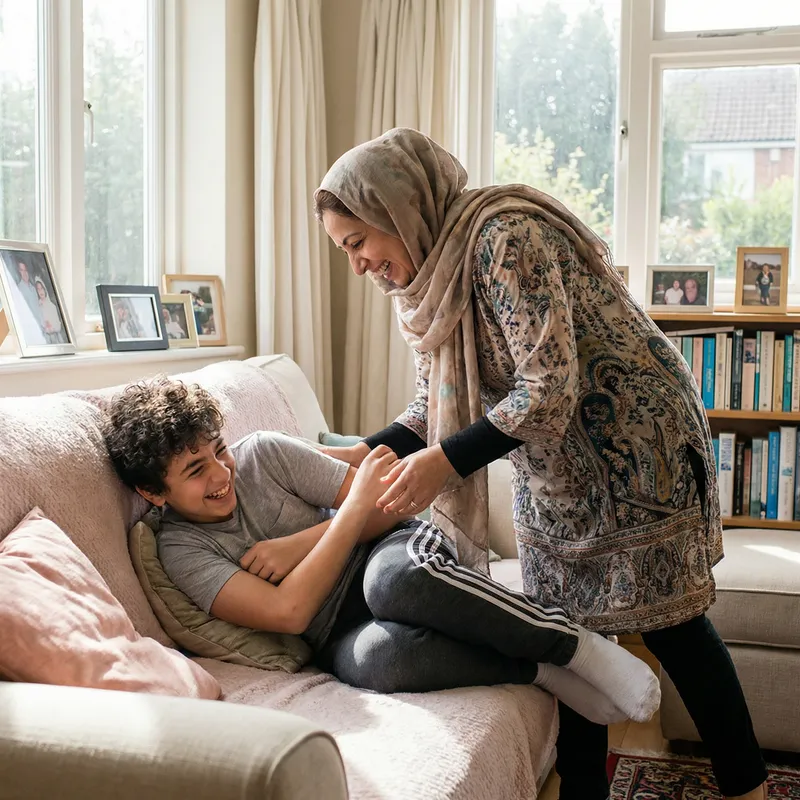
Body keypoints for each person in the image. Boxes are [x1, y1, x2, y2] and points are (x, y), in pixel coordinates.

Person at [313, 128, 767, 800]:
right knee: (570, 630)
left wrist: (443, 463)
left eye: (357, 243)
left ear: (395, 210)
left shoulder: (505, 237)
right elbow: (431, 402)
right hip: (554, 468)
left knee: (672, 625)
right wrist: (369, 450)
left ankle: (747, 786)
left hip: (638, 448)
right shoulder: (429, 281)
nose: (357, 265)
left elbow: (547, 385)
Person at [103, 377, 661, 729]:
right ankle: (535, 669)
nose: (222, 473)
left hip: (388, 550)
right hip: (332, 630)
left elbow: (385, 507)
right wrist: (346, 515)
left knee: (392, 585)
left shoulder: (264, 455)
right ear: (154, 493)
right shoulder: (179, 548)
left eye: (219, 451)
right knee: (379, 662)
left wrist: (303, 541)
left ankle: (575, 644)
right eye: (196, 470)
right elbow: (291, 614)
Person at [35, 278, 64, 344]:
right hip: (43, 340)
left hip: (55, 338)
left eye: (41, 288)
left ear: (45, 289)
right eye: (38, 289)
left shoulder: (52, 306)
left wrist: (51, 327)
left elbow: (58, 326)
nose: (40, 291)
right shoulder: (37, 307)